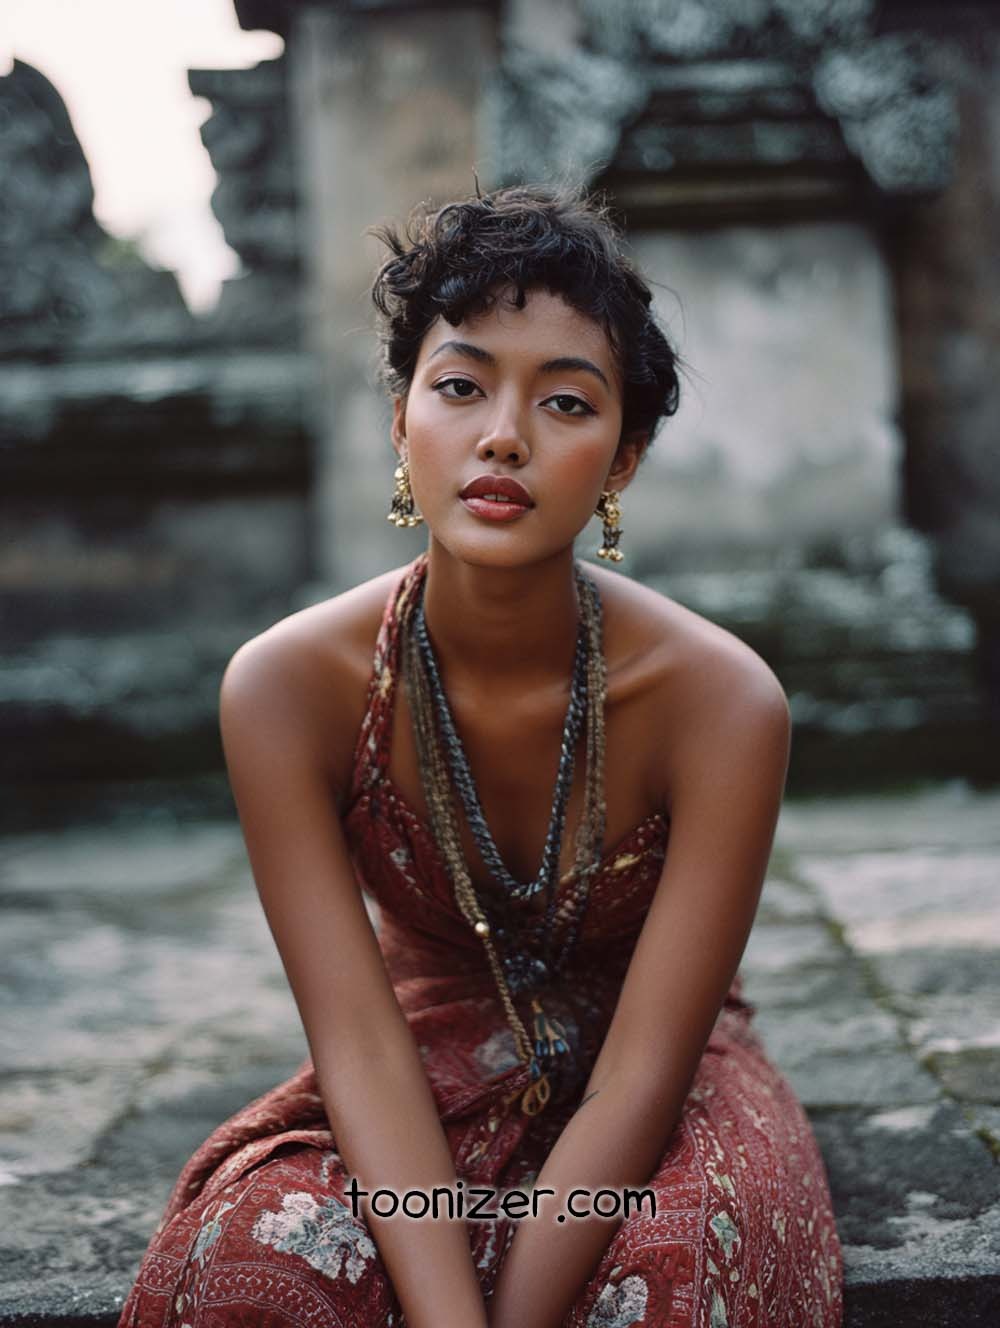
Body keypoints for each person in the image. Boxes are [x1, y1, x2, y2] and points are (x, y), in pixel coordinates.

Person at [118, 183, 842, 1328]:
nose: (503, 432)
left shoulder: (721, 701)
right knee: (252, 1257)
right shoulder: (287, 687)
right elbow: (356, 1041)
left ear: (624, 461)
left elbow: (641, 1073)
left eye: (565, 400)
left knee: (679, 1267)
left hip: (657, 1078)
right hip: (411, 1066)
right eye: (459, 385)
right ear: (402, 418)